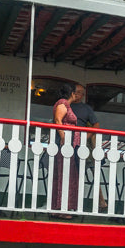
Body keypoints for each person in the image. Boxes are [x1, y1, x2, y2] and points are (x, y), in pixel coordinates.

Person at [71, 84, 106, 210]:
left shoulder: (86, 109)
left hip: (84, 145)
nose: (78, 94)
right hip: (67, 143)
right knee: (72, 172)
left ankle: (101, 201)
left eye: (81, 92)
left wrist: (86, 137)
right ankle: (72, 201)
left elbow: (96, 125)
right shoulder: (66, 105)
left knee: (92, 171)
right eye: (76, 91)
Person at [51, 84, 81, 219]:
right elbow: (58, 120)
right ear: (72, 94)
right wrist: (64, 138)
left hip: (70, 146)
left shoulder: (66, 105)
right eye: (76, 93)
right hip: (65, 146)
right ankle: (62, 208)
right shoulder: (63, 103)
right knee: (65, 176)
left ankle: (62, 207)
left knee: (68, 175)